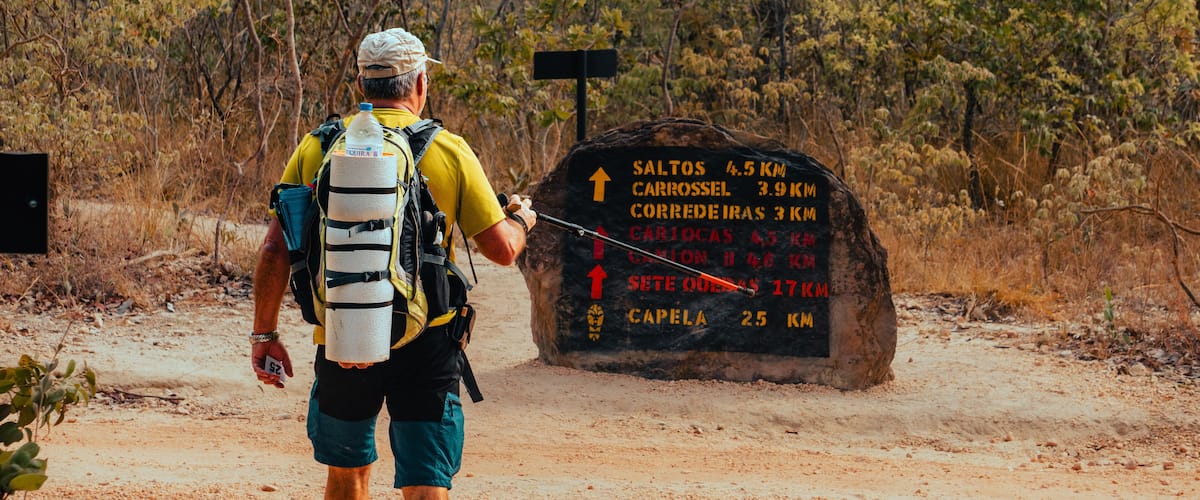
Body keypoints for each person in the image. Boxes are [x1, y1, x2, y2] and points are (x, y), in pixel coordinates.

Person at [248, 27, 536, 499]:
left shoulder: (320, 147)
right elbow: (501, 250)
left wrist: (265, 333)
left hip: (345, 335)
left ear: (362, 86)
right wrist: (521, 220)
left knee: (347, 474)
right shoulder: (449, 150)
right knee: (426, 483)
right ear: (420, 83)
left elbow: (276, 249)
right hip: (429, 340)